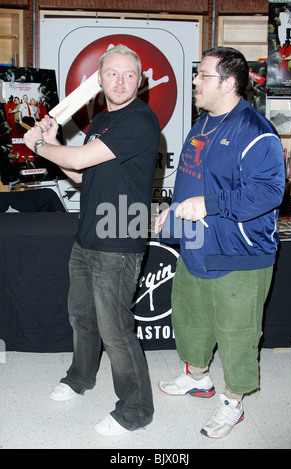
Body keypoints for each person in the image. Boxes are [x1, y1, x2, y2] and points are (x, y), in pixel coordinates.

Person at [24, 45, 160, 436]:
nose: (120, 81)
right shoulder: (102, 119)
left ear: (141, 80)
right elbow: (81, 175)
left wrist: (38, 144)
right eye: (112, 74)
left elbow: (80, 160)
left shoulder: (141, 120)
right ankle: (79, 378)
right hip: (88, 235)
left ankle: (136, 409)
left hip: (119, 239)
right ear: (99, 80)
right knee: (81, 317)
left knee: (115, 330)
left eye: (129, 74)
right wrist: (53, 141)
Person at [155, 46, 285, 439]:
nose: (195, 81)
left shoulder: (256, 132)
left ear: (229, 83)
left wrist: (208, 205)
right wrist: (174, 209)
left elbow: (269, 193)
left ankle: (233, 402)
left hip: (240, 254)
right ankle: (197, 377)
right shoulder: (204, 122)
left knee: (237, 334)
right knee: (191, 318)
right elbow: (194, 176)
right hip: (196, 244)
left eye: (203, 75)